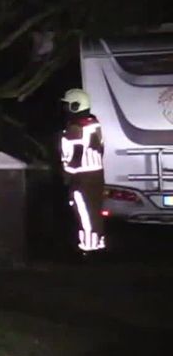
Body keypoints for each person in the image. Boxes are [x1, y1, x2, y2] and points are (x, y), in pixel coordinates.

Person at [60, 88, 106, 254]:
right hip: (96, 175)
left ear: (75, 106)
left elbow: (75, 157)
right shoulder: (93, 123)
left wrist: (67, 174)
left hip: (82, 177)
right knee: (94, 211)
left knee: (84, 213)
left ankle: (88, 248)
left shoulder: (76, 127)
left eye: (67, 105)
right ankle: (97, 245)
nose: (65, 109)